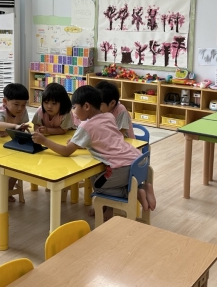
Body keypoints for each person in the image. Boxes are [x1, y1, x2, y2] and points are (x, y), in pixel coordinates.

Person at [32, 85, 156, 220]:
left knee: (98, 187)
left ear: (86, 106)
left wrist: (44, 141)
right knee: (98, 175)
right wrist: (80, 143)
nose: (74, 112)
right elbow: (102, 139)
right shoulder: (108, 116)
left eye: (74, 107)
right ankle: (133, 192)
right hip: (137, 158)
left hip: (121, 167)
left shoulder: (86, 126)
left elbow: (66, 151)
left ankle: (137, 191)